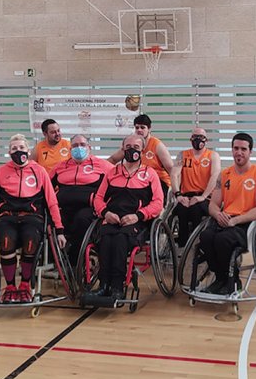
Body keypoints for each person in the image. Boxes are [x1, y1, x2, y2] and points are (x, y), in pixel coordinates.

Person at [0, 134, 64, 303]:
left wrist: (59, 229)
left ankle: (25, 285)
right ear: (9, 152)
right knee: (6, 240)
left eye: (22, 148)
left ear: (28, 150)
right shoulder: (2, 172)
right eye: (14, 149)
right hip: (6, 217)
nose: (19, 151)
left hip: (32, 217)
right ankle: (10, 287)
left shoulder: (39, 171)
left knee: (31, 240)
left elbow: (52, 202)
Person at [92, 134, 164, 300]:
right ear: (123, 149)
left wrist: (138, 215)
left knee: (119, 240)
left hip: (136, 222)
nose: (132, 150)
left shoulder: (150, 173)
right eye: (128, 147)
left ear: (142, 151)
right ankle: (103, 285)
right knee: (104, 238)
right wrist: (105, 213)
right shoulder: (112, 172)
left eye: (136, 147)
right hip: (112, 218)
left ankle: (117, 285)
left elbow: (158, 203)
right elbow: (98, 198)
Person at [200, 133, 256, 294]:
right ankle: (221, 278)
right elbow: (213, 204)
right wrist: (218, 214)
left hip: (247, 223)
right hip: (225, 220)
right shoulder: (224, 175)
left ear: (250, 152)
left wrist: (236, 220)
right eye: (236, 148)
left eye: (243, 149)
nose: (239, 152)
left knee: (222, 240)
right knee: (205, 237)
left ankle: (233, 280)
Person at [50, 134, 114, 262]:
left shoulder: (103, 166)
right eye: (75, 145)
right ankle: (55, 260)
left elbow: (117, 185)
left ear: (89, 147)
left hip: (89, 208)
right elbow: (47, 188)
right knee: (52, 222)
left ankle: (75, 259)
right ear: (69, 149)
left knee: (81, 219)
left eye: (82, 145)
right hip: (64, 207)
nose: (78, 148)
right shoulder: (60, 167)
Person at [170, 127, 221, 248]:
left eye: (201, 136)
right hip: (186, 195)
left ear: (206, 140)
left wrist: (203, 197)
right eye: (195, 136)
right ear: (191, 139)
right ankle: (183, 243)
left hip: (206, 196)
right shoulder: (182, 155)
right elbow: (174, 174)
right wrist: (178, 195)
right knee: (181, 210)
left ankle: (196, 243)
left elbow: (215, 176)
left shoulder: (213, 155)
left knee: (195, 210)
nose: (198, 139)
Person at [108, 114, 175, 197]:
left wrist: (177, 190)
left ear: (149, 129)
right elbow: (112, 160)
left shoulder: (157, 145)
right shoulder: (131, 145)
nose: (139, 130)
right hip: (138, 180)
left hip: (159, 181)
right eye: (137, 127)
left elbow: (172, 169)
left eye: (142, 127)